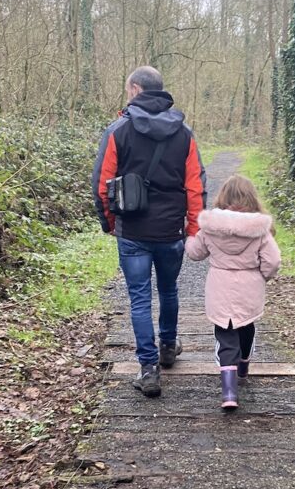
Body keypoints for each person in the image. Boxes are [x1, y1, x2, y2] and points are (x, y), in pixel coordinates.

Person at [92, 66, 206, 398]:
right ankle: (168, 347)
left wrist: (111, 223)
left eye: (128, 89)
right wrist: (193, 229)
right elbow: (196, 186)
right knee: (169, 290)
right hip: (171, 230)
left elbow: (101, 185)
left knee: (140, 298)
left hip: (133, 231)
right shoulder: (184, 133)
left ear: (136, 90)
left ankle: (148, 369)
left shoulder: (117, 131)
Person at [185, 174, 281, 410]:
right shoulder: (260, 230)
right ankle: (244, 366)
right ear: (251, 199)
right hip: (249, 288)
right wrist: (263, 276)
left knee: (225, 337)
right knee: (246, 327)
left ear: (222, 198)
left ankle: (229, 393)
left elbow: (195, 253)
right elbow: (273, 261)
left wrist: (188, 237)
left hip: (220, 288)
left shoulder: (211, 228)